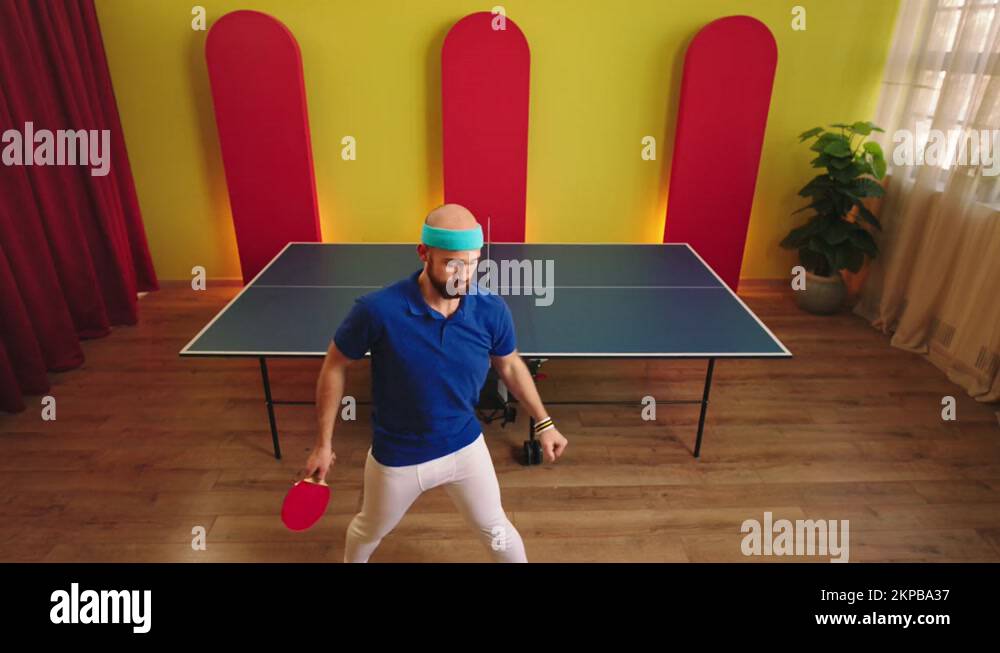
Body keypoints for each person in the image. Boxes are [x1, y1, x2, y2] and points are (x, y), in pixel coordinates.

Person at [305, 203, 568, 562]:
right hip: (398, 458)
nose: (464, 275)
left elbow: (509, 365)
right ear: (423, 253)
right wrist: (323, 443)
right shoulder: (377, 310)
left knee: (497, 531)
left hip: (464, 445)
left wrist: (544, 421)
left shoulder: (490, 309)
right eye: (452, 263)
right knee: (369, 530)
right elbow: (334, 364)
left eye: (473, 262)